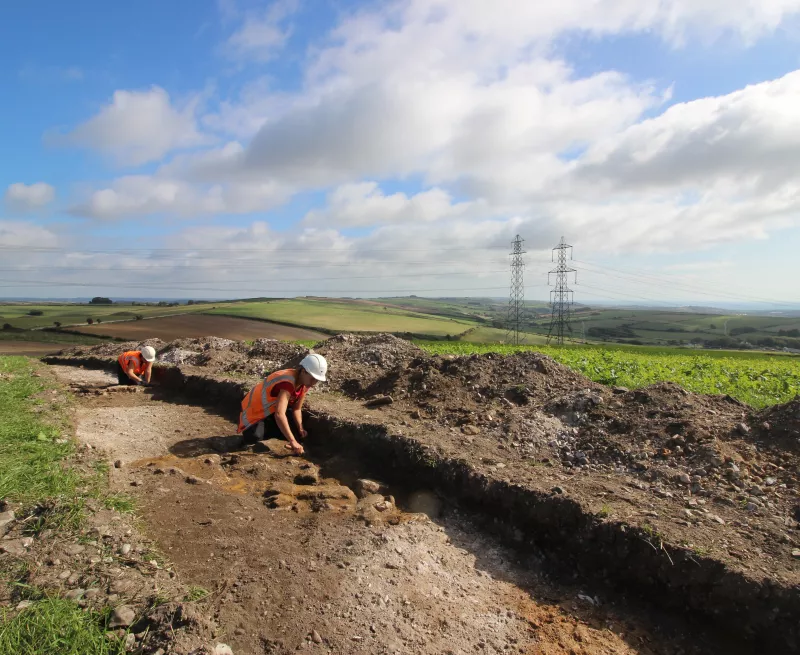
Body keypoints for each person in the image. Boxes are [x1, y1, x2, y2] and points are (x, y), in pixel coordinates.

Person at [238, 353, 328, 455]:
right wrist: (292, 441)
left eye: (316, 380)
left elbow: (296, 409)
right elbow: (279, 414)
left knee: (297, 434)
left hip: (270, 412)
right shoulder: (288, 382)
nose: (314, 383)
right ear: (303, 371)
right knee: (255, 438)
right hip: (255, 414)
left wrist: (300, 427)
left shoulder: (305, 384)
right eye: (313, 378)